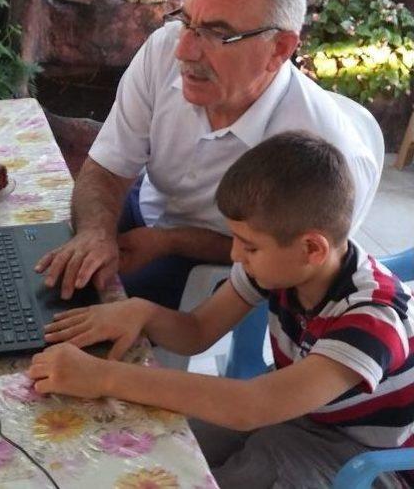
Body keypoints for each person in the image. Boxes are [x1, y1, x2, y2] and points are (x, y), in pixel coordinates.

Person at [28, 131, 412, 488]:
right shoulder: (281, 268)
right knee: (168, 443)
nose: (234, 255)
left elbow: (252, 405)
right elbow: (197, 330)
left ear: (312, 248)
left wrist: (103, 377)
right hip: (301, 415)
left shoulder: (373, 319)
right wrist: (142, 312)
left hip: (370, 459)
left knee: (247, 465)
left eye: (249, 246)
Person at [35, 0, 381, 309]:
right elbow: (107, 166)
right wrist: (95, 234)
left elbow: (295, 262)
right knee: (35, 269)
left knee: (81, 318)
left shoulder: (325, 154)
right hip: (146, 208)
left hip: (218, 264)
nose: (184, 51)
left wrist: (173, 241)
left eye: (218, 33)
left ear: (279, 49)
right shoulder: (164, 50)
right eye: (186, 21)